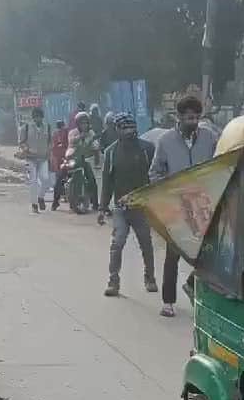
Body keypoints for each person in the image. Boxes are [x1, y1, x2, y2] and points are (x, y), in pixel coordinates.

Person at [149, 95, 217, 317]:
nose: (193, 122)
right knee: (173, 254)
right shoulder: (166, 141)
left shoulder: (210, 138)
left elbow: (218, 164)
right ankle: (168, 302)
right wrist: (168, 188)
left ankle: (192, 285)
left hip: (202, 205)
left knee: (207, 255)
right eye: (189, 118)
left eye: (197, 117)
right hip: (176, 206)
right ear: (179, 117)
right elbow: (155, 172)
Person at [98, 113, 157, 297]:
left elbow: (155, 177)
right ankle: (113, 281)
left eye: (131, 128)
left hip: (142, 206)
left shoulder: (147, 149)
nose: (129, 132)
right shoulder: (111, 152)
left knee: (146, 243)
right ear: (117, 130)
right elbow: (107, 182)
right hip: (121, 207)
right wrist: (102, 207)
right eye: (124, 128)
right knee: (117, 243)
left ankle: (150, 277)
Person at [17, 107, 53, 213]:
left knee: (46, 179)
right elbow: (21, 142)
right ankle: (34, 204)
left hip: (43, 158)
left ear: (42, 117)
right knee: (33, 182)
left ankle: (40, 197)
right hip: (30, 158)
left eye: (39, 117)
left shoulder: (48, 127)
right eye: (36, 117)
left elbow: (50, 141)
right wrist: (25, 148)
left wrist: (49, 150)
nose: (38, 119)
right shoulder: (26, 127)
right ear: (33, 118)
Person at [65, 111, 100, 213]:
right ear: (78, 124)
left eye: (86, 123)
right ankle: (56, 200)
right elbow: (71, 141)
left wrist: (97, 161)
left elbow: (95, 147)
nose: (84, 125)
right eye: (82, 123)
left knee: (92, 180)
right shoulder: (72, 132)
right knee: (60, 177)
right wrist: (81, 136)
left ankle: (95, 203)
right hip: (73, 159)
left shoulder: (91, 133)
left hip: (84, 160)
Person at [49, 120, 69, 210]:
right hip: (65, 160)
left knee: (58, 180)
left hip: (59, 160)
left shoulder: (54, 134)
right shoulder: (66, 132)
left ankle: (55, 202)